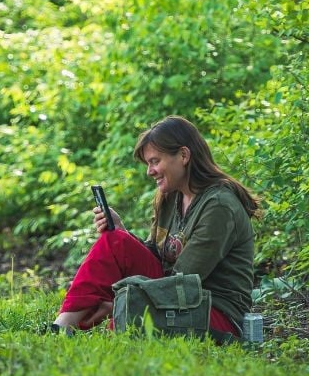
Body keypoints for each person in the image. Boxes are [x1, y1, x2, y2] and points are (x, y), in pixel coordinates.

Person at [51, 115, 261, 336]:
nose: (149, 171)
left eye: (155, 161)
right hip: (175, 295)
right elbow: (155, 256)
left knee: (128, 314)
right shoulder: (171, 196)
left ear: (183, 155)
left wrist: (121, 302)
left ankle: (101, 316)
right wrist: (122, 233)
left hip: (211, 309)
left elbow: (182, 280)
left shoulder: (219, 206)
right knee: (116, 240)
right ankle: (61, 326)